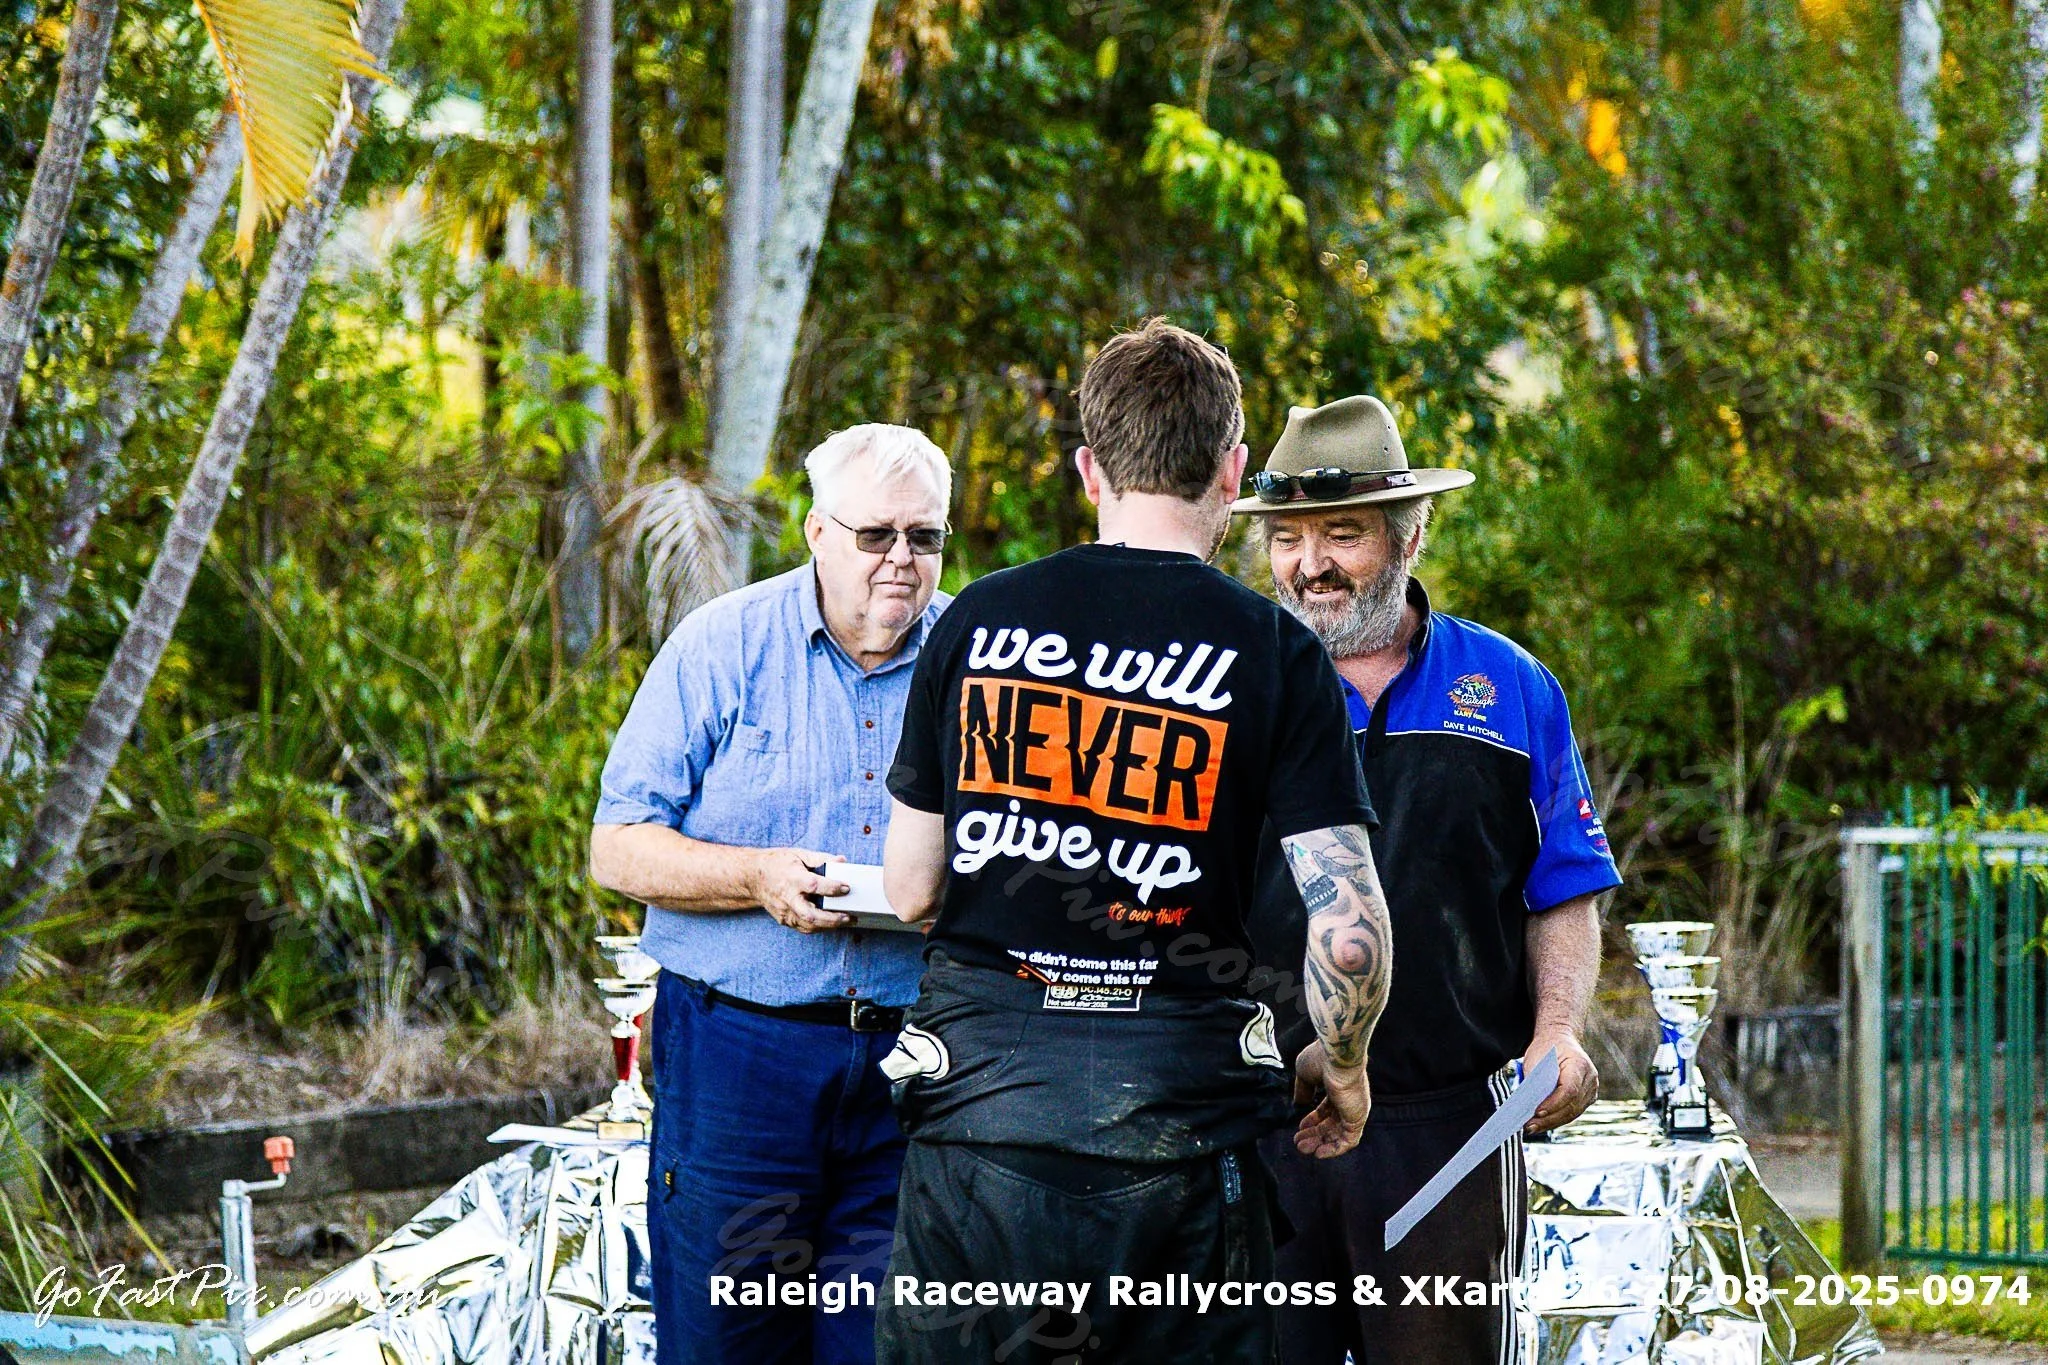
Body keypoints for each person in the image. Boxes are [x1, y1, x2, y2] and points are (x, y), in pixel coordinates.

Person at [874, 320, 1395, 1364]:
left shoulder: (974, 621)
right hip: (1186, 1136)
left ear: (1086, 469)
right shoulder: (1276, 651)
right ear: (1232, 470)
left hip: (980, 1124)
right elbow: (1350, 930)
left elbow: (910, 887)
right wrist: (1341, 1064)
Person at [1235, 395, 1623, 1365]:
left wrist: (1556, 1032)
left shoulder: (1509, 687)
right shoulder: (1232, 689)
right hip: (1254, 1123)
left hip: (1449, 1130)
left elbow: (1562, 885)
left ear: (1410, 533)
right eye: (1284, 538)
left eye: (1341, 534)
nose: (1307, 565)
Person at [590, 424, 953, 1365]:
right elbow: (617, 847)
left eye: (926, 537)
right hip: (738, 1057)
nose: (902, 561)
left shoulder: (977, 658)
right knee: (727, 1340)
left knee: (886, 1346)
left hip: (914, 1066)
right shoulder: (723, 645)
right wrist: (754, 876)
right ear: (816, 531)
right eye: (877, 535)